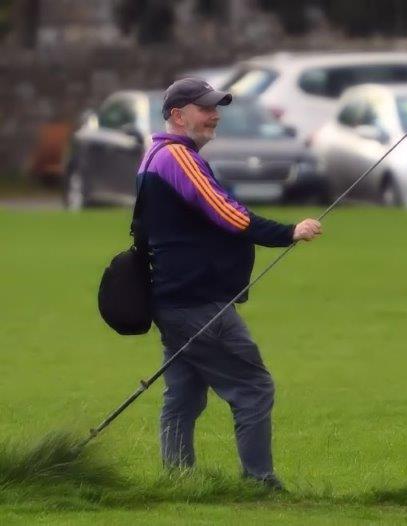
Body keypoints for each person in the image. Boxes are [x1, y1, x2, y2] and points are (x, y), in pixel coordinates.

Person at [135, 78, 322, 489]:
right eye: (205, 108)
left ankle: (177, 481)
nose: (214, 114)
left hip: (173, 299)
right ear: (178, 115)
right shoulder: (178, 157)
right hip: (197, 302)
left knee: (184, 395)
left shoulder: (156, 155)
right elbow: (230, 214)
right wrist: (290, 231)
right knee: (254, 387)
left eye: (215, 106)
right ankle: (260, 483)